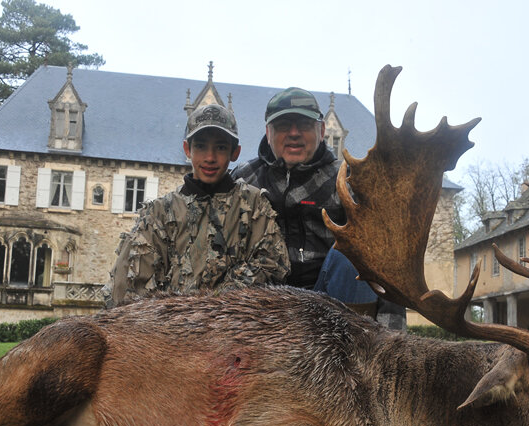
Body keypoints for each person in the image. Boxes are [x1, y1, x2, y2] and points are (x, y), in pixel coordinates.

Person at [232, 88, 405, 329]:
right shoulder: (243, 180)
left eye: (304, 124)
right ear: (268, 133)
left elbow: (384, 262)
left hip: (335, 308)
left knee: (352, 253)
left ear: (322, 130)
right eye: (283, 125)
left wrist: (392, 336)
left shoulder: (349, 181)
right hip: (265, 310)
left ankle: (358, 346)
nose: (294, 133)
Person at [107, 104, 289, 306]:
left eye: (220, 147)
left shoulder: (255, 206)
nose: (210, 158)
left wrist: (213, 304)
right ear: (187, 149)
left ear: (235, 152)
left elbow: (272, 265)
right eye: (200, 146)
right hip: (168, 329)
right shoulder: (158, 214)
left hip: (234, 325)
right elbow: (127, 287)